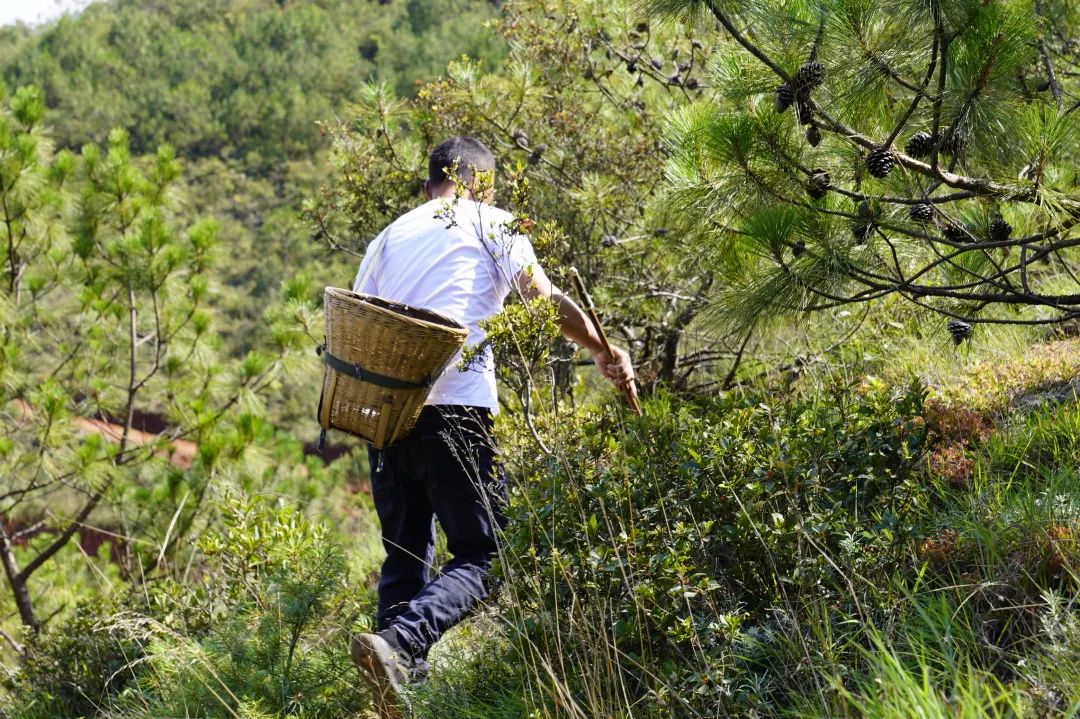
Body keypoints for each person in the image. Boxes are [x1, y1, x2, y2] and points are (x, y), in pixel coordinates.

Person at [348, 136, 635, 715]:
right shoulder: (490, 222)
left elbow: (360, 328)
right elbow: (542, 299)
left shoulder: (388, 238)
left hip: (385, 420)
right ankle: (401, 646)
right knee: (487, 553)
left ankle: (397, 686)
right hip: (456, 413)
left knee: (405, 559)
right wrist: (603, 350)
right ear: (483, 183)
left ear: (430, 184)